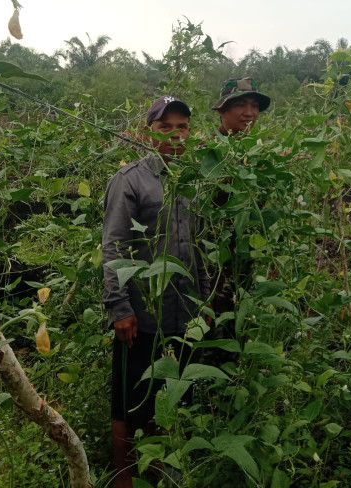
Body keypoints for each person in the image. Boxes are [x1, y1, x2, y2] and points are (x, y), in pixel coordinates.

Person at [102, 95, 210, 488]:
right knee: (130, 397)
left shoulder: (194, 178)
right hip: (141, 312)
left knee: (170, 393)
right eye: (166, 128)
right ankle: (124, 476)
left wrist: (203, 300)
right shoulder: (130, 180)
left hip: (182, 310)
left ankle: (163, 468)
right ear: (149, 133)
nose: (176, 135)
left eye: (182, 127)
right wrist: (119, 307)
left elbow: (196, 247)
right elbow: (114, 247)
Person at [207, 78, 271, 345]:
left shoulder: (258, 153)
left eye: (254, 105)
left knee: (237, 331)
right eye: (241, 105)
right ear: (222, 110)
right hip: (212, 267)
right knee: (212, 332)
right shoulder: (207, 151)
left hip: (243, 262)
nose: (250, 112)